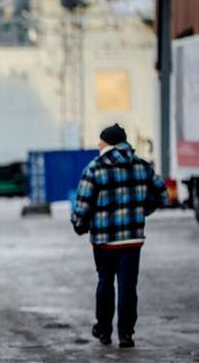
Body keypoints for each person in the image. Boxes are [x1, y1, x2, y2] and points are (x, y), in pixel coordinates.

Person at [71, 124, 168, 348]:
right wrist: (141, 210)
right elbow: (162, 194)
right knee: (128, 286)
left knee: (105, 282)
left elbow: (83, 203)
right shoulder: (142, 166)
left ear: (108, 143)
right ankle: (126, 334)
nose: (98, 144)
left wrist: (79, 223)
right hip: (132, 239)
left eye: (101, 141)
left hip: (104, 240)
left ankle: (104, 330)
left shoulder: (95, 168)